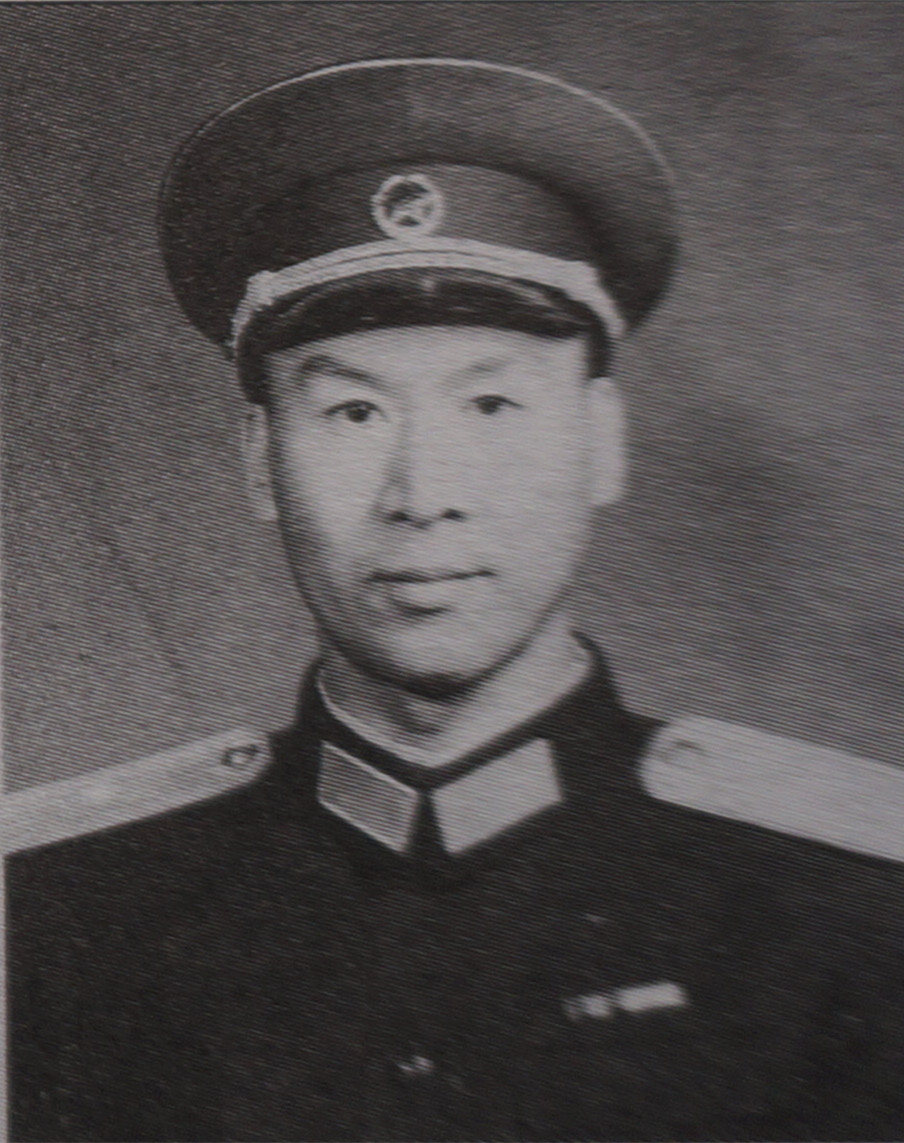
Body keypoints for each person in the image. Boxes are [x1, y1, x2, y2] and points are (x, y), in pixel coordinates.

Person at [5, 58, 904, 1142]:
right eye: (353, 414)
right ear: (258, 460)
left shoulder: (849, 904)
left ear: (602, 441)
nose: (423, 495)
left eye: (490, 405)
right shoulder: (52, 914)